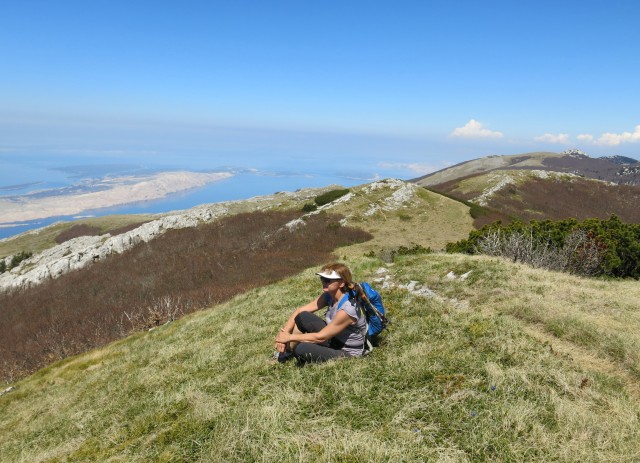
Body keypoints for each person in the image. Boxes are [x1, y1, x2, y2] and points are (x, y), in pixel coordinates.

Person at [275, 262, 368, 363]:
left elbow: (321, 337)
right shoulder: (329, 295)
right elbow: (300, 311)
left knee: (301, 349)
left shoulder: (348, 308)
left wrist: (289, 337)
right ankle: (286, 352)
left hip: (347, 350)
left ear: (341, 283)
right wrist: (285, 333)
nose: (323, 282)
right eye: (322, 279)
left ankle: (292, 351)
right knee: (303, 316)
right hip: (334, 338)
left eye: (327, 280)